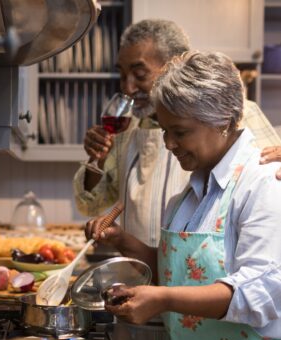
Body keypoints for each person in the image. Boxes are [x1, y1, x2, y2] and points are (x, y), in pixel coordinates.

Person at [86, 51, 281, 340]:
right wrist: (124, 242)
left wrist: (162, 299)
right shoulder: (189, 195)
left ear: (222, 121)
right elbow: (178, 273)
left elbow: (260, 294)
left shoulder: (263, 184)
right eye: (164, 131)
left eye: (180, 132)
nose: (169, 144)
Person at [73, 19, 281, 247]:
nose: (128, 88)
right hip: (143, 269)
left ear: (172, 70)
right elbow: (89, 205)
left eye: (140, 75)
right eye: (122, 75)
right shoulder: (127, 128)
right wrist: (98, 158)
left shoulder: (234, 114)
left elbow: (272, 179)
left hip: (210, 275)